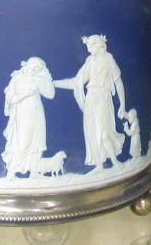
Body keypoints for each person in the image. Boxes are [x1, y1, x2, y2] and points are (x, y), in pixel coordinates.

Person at [54, 35, 125, 173]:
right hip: (92, 100)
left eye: (91, 46)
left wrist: (122, 105)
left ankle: (115, 162)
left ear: (99, 44)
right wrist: (54, 84)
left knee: (104, 133)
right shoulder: (90, 62)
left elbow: (118, 83)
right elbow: (77, 82)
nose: (88, 49)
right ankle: (99, 165)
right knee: (93, 133)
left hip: (104, 99)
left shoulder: (110, 61)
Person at [2, 57, 55, 179]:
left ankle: (34, 172)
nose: (35, 69)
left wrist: (46, 76)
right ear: (28, 65)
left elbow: (50, 94)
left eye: (39, 68)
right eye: (34, 65)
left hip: (37, 114)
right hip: (22, 114)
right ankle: (11, 172)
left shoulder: (38, 79)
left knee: (38, 143)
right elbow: (11, 99)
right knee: (23, 143)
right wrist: (26, 93)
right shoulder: (17, 78)